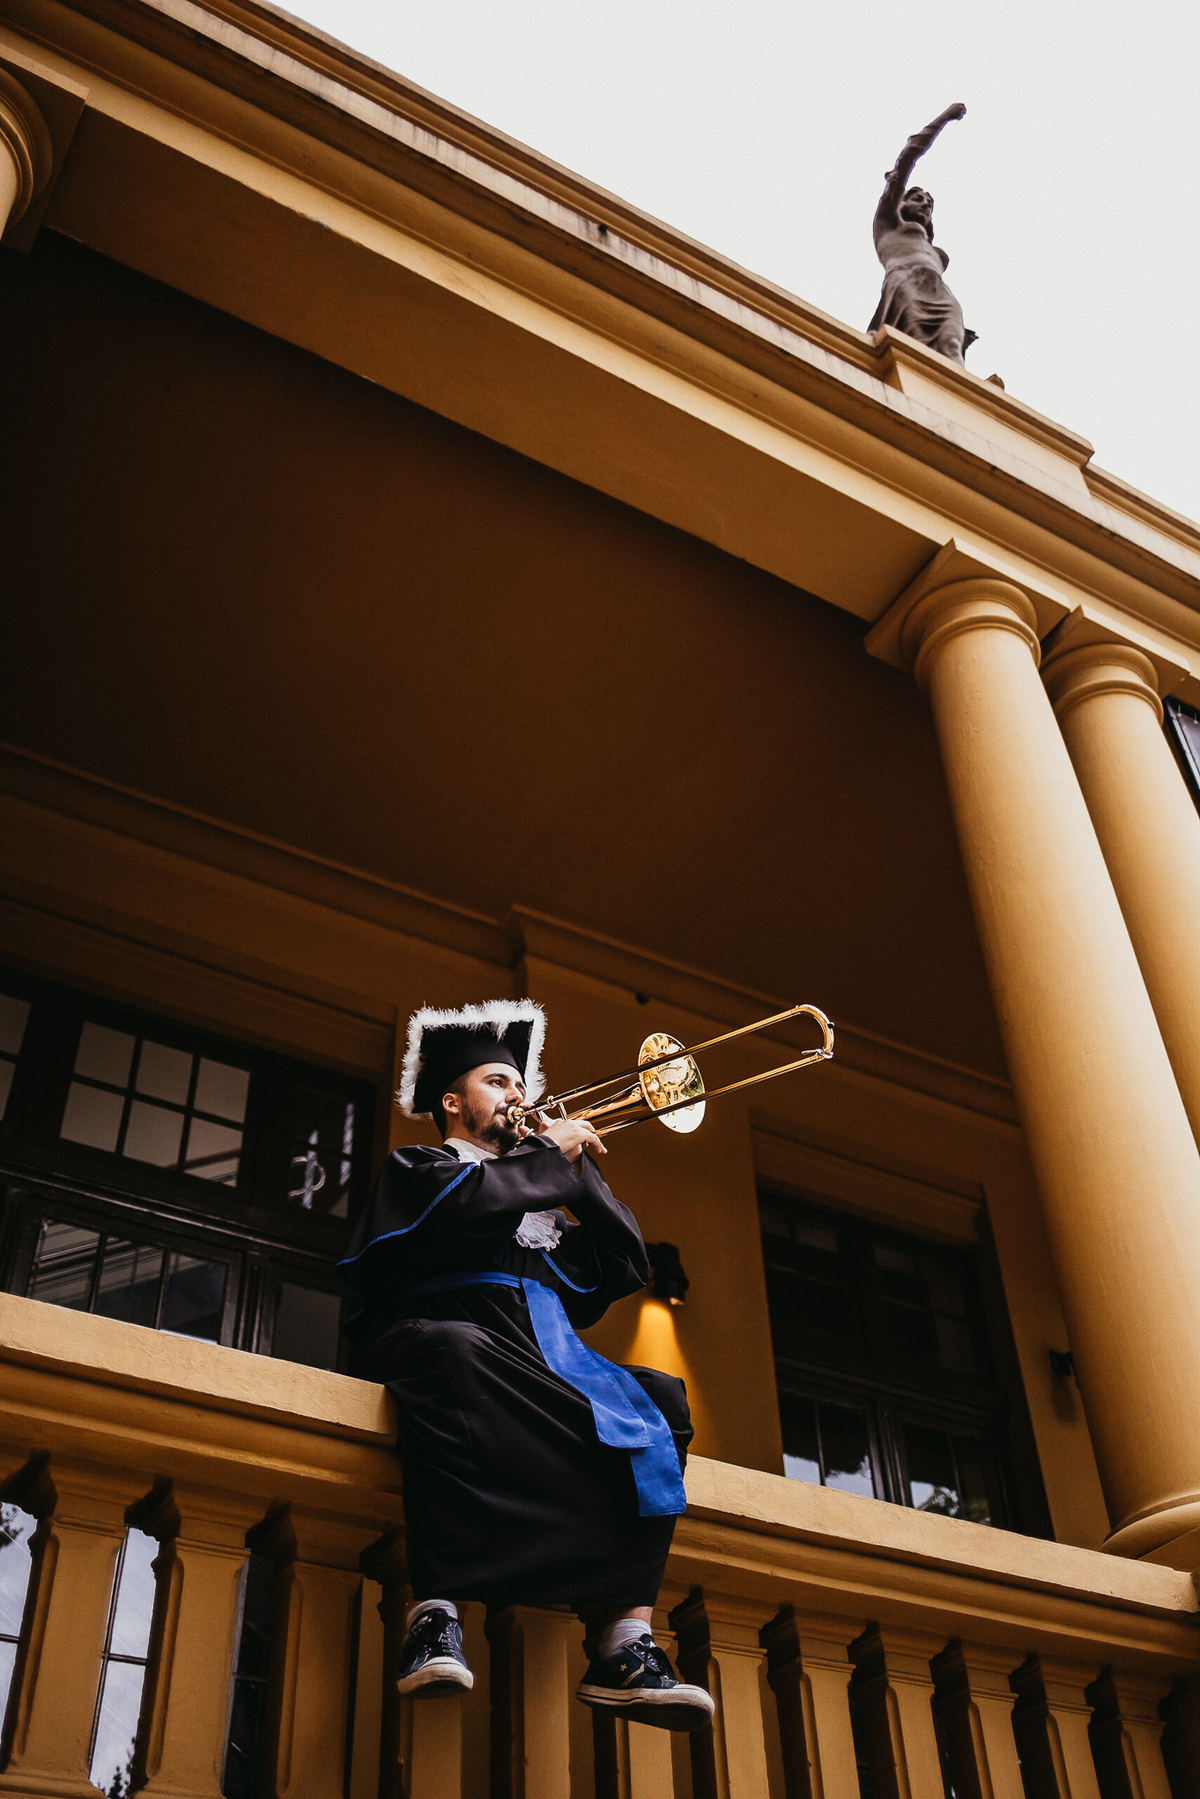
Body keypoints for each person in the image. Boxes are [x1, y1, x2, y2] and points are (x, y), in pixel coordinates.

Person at [336, 999, 714, 1731]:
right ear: (452, 1102)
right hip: (446, 1334)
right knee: (458, 1350)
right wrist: (546, 1160)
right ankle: (434, 1613)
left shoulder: (536, 1194)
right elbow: (459, 1215)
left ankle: (623, 1640)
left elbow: (623, 1265)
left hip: (540, 1359)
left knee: (660, 1399)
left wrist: (579, 1171)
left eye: (520, 1083)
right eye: (497, 1081)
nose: (518, 1095)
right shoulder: (423, 1166)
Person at [869, 103, 976, 365]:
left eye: (929, 203)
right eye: (917, 198)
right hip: (906, 284)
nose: (925, 205)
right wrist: (944, 118)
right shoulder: (889, 223)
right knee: (916, 348)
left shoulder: (938, 254)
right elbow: (908, 157)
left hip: (941, 293)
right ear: (902, 202)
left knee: (952, 346)